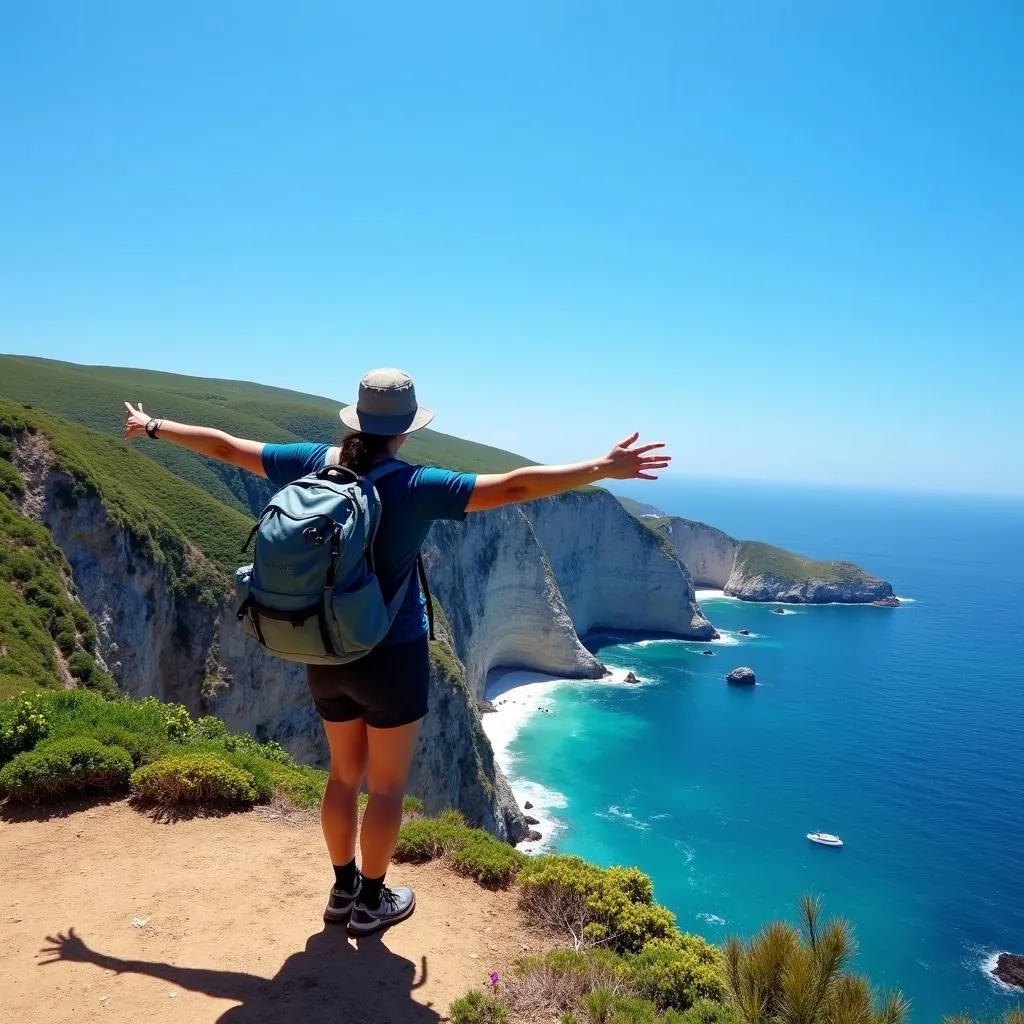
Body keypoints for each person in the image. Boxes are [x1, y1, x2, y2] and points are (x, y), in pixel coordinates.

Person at [123, 367, 670, 935]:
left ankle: (341, 890)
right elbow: (514, 486)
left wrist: (153, 425)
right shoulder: (415, 486)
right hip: (392, 656)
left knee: (342, 774)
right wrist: (602, 468)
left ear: (356, 419)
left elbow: (226, 446)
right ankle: (373, 901)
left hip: (324, 649)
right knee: (385, 787)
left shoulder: (315, 462)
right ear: (406, 429)